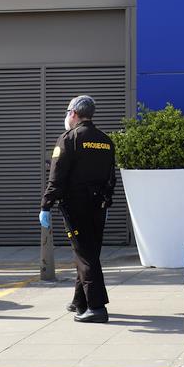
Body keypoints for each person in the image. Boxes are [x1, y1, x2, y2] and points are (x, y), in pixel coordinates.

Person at [40, 95, 117, 322]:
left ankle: (97, 307)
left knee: (84, 255)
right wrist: (107, 200)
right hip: (98, 206)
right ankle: (80, 301)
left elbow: (56, 178)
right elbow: (111, 177)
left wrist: (46, 205)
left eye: (67, 112)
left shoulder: (68, 139)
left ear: (73, 113)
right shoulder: (105, 140)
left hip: (75, 206)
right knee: (88, 252)